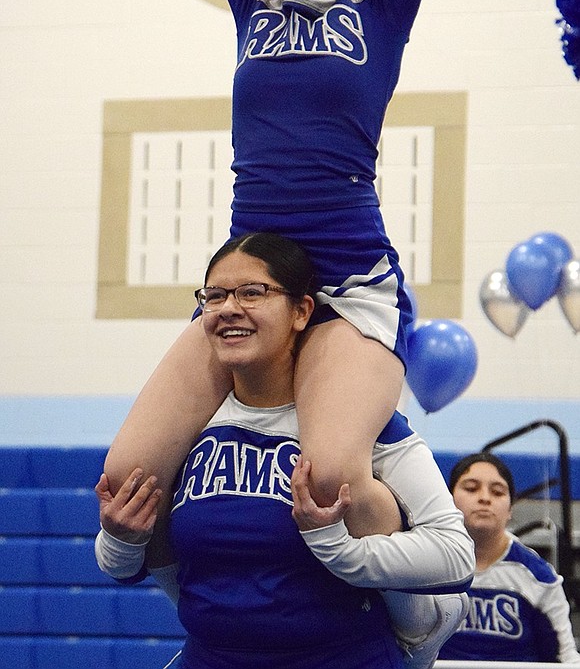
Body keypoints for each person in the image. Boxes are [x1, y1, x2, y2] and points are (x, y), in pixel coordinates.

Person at [106, 0, 498, 553]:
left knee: (327, 479)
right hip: (250, 282)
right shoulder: (254, 4)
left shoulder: (381, 12)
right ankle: (207, 611)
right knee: (124, 481)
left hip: (349, 281)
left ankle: (403, 615)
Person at [96, 232, 475, 669]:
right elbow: (119, 567)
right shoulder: (183, 427)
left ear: (301, 311)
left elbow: (455, 557)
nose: (229, 308)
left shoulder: (355, 424)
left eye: (252, 293)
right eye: (214, 296)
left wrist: (341, 551)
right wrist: (122, 539)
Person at [440, 452, 580, 663]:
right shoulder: (424, 568)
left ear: (510, 509)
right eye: (471, 488)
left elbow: (566, 660)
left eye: (497, 492)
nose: (484, 498)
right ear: (448, 500)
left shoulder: (538, 578)